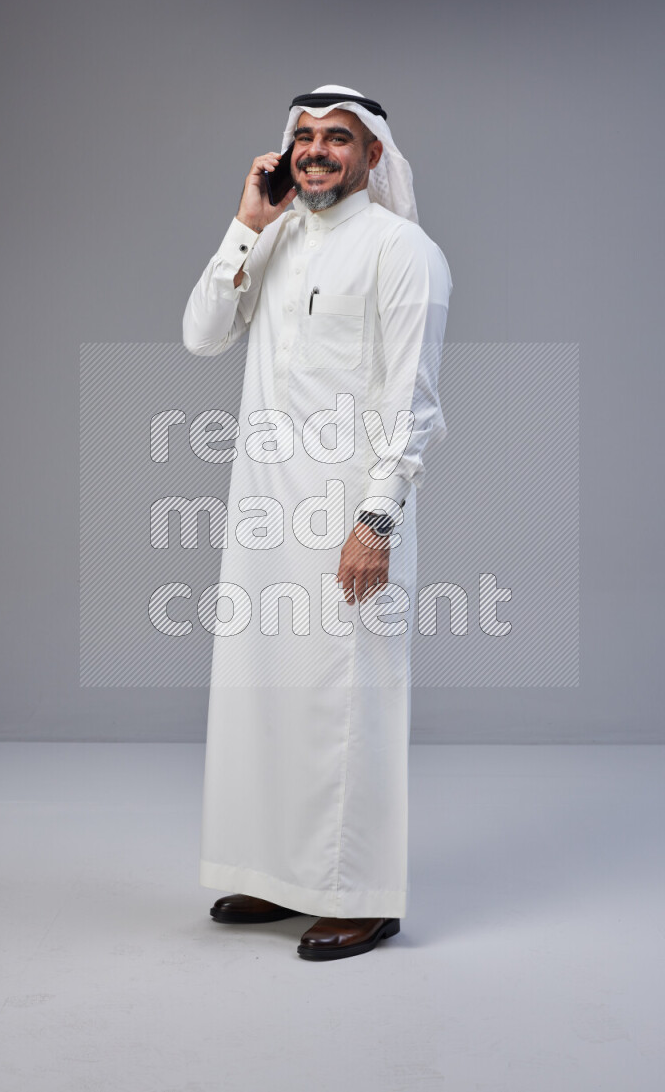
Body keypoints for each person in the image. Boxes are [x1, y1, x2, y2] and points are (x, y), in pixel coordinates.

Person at [182, 84, 452, 961]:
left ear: (373, 154)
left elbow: (411, 400)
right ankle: (277, 872)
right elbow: (201, 334)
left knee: (349, 700)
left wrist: (377, 519)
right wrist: (247, 224)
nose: (316, 151)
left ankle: (361, 893)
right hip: (262, 511)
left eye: (337, 138)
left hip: (347, 515)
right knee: (266, 694)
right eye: (303, 137)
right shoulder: (278, 236)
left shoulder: (403, 250)